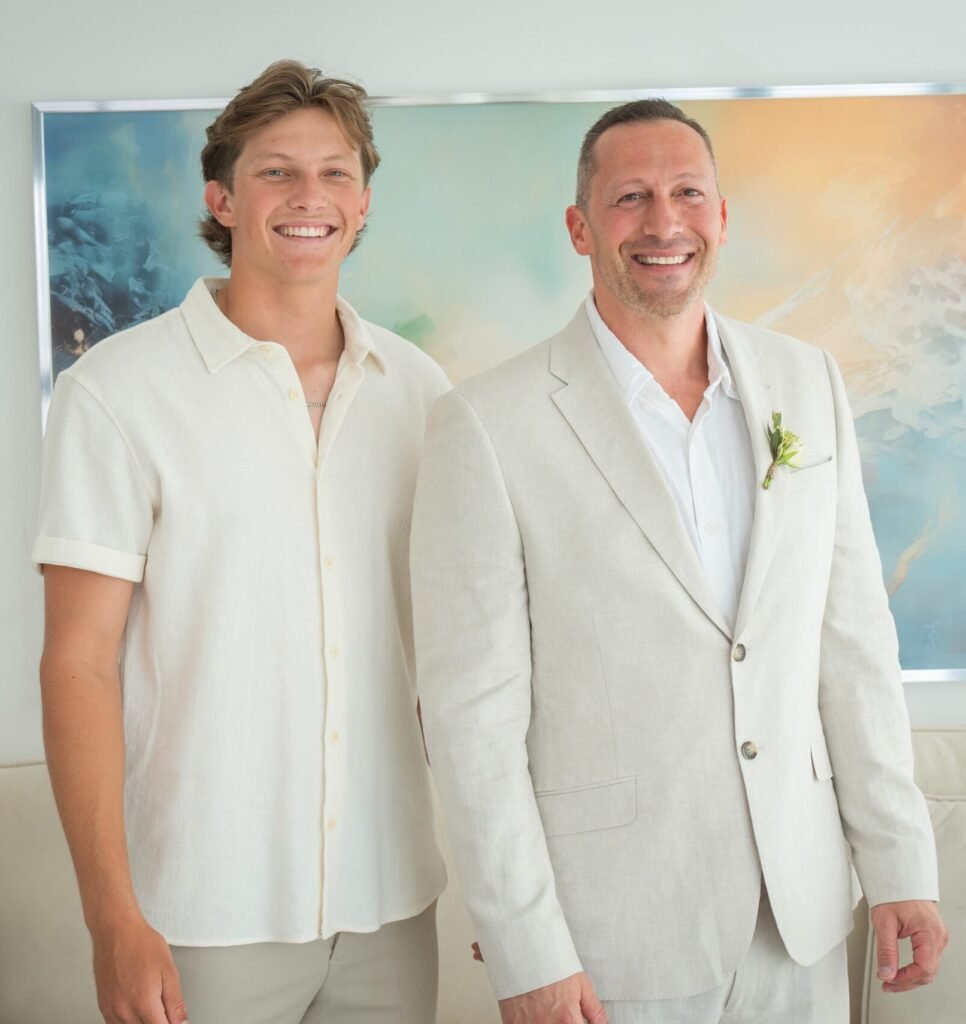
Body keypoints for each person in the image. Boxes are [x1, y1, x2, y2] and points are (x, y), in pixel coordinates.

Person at [410, 99, 947, 1024]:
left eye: (688, 193)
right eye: (630, 197)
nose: (664, 222)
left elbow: (854, 642)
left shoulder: (807, 382)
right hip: (610, 934)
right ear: (580, 228)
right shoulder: (486, 425)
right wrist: (526, 948)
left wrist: (901, 865)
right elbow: (473, 723)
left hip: (800, 919)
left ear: (722, 217)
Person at [35, 60, 447, 1024]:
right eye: (276, 173)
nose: (310, 197)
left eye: (336, 173)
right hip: (200, 915)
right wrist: (111, 920)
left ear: (363, 203)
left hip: (392, 902)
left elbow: (448, 657)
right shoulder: (118, 393)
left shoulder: (421, 391)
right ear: (221, 199)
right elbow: (77, 663)